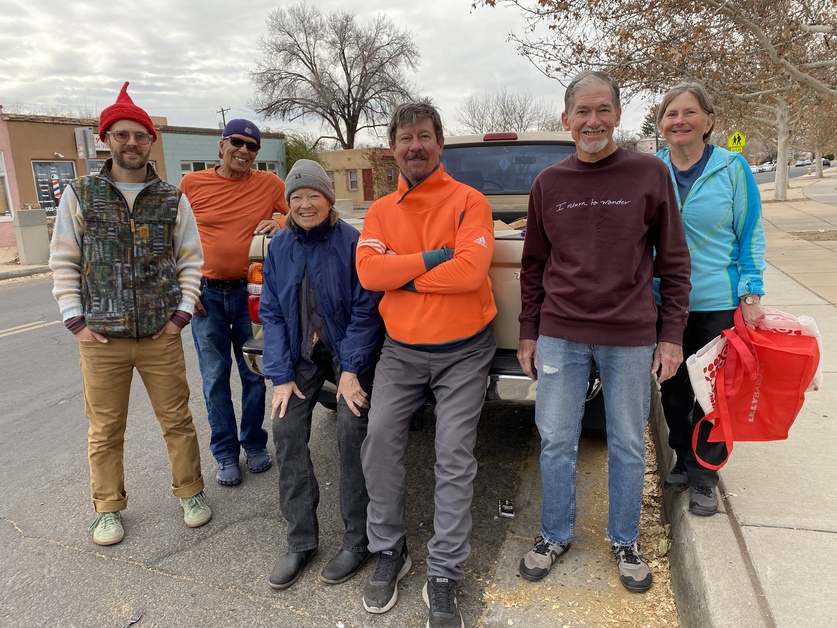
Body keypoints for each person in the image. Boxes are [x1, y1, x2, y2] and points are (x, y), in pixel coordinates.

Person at [517, 71, 691, 593]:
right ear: (565, 119)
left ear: (617, 115)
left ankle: (625, 541)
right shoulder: (548, 183)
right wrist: (528, 332)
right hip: (560, 332)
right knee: (556, 439)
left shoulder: (649, 174)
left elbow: (674, 260)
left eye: (602, 110)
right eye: (582, 112)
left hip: (630, 334)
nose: (592, 121)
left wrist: (672, 334)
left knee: (628, 443)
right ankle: (554, 534)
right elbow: (533, 266)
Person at [49, 81, 211, 546]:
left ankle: (191, 492)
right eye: (122, 134)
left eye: (140, 135)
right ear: (107, 139)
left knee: (177, 420)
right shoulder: (81, 194)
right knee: (104, 429)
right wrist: (76, 321)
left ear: (150, 141)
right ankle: (107, 508)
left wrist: (181, 315)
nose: (132, 142)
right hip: (102, 339)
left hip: (160, 335)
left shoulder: (171, 198)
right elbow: (64, 259)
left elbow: (190, 260)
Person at [356, 101, 497, 628]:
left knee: (453, 454)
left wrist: (404, 276)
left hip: (465, 351)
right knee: (379, 441)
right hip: (401, 351)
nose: (414, 146)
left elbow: (470, 271)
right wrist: (436, 257)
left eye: (424, 136)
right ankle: (389, 550)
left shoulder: (469, 201)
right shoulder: (379, 211)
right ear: (392, 148)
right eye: (405, 138)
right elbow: (369, 274)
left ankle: (444, 572)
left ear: (440, 142)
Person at [259, 159, 383, 590]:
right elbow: (272, 314)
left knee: (351, 425)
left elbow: (367, 311)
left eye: (314, 195)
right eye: (296, 197)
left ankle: (358, 538)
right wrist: (280, 375)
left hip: (348, 349)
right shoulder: (279, 247)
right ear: (288, 203)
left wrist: (351, 370)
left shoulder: (352, 242)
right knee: (285, 428)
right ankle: (301, 540)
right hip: (302, 354)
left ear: (329, 199)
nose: (305, 204)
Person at [655, 82, 766, 515]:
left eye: (689, 112)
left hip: (717, 300)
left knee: (714, 394)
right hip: (665, 302)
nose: (679, 121)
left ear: (709, 121)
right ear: (661, 124)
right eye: (671, 114)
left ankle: (704, 475)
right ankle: (683, 456)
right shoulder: (653, 170)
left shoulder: (732, 168)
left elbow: (750, 232)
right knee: (673, 390)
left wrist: (751, 292)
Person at [179, 120, 290, 487]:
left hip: (251, 294)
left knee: (254, 373)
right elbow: (173, 236)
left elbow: (301, 210)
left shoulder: (269, 184)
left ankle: (254, 443)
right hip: (206, 295)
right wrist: (185, 288)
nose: (244, 151)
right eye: (237, 143)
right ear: (221, 146)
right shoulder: (192, 184)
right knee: (214, 378)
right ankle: (225, 452)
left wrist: (280, 221)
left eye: (252, 146)